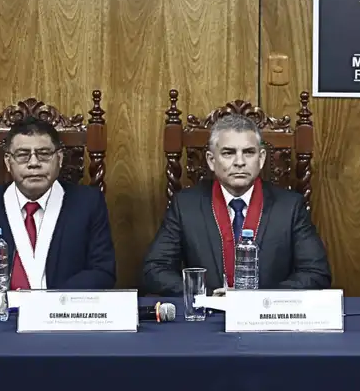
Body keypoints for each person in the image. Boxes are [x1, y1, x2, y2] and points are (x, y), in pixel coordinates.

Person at [142, 114, 331, 295]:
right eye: (228, 153)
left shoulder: (290, 206)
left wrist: (260, 298)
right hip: (208, 314)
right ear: (211, 160)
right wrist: (206, 295)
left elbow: (316, 273)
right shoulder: (185, 206)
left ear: (262, 158)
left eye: (248, 152)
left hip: (266, 319)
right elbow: (154, 270)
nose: (239, 162)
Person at [0, 117, 116, 290]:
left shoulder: (88, 203)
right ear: (8, 162)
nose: (34, 163)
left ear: (59, 159)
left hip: (60, 317)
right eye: (22, 155)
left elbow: (103, 272)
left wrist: (54, 303)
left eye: (44, 154)